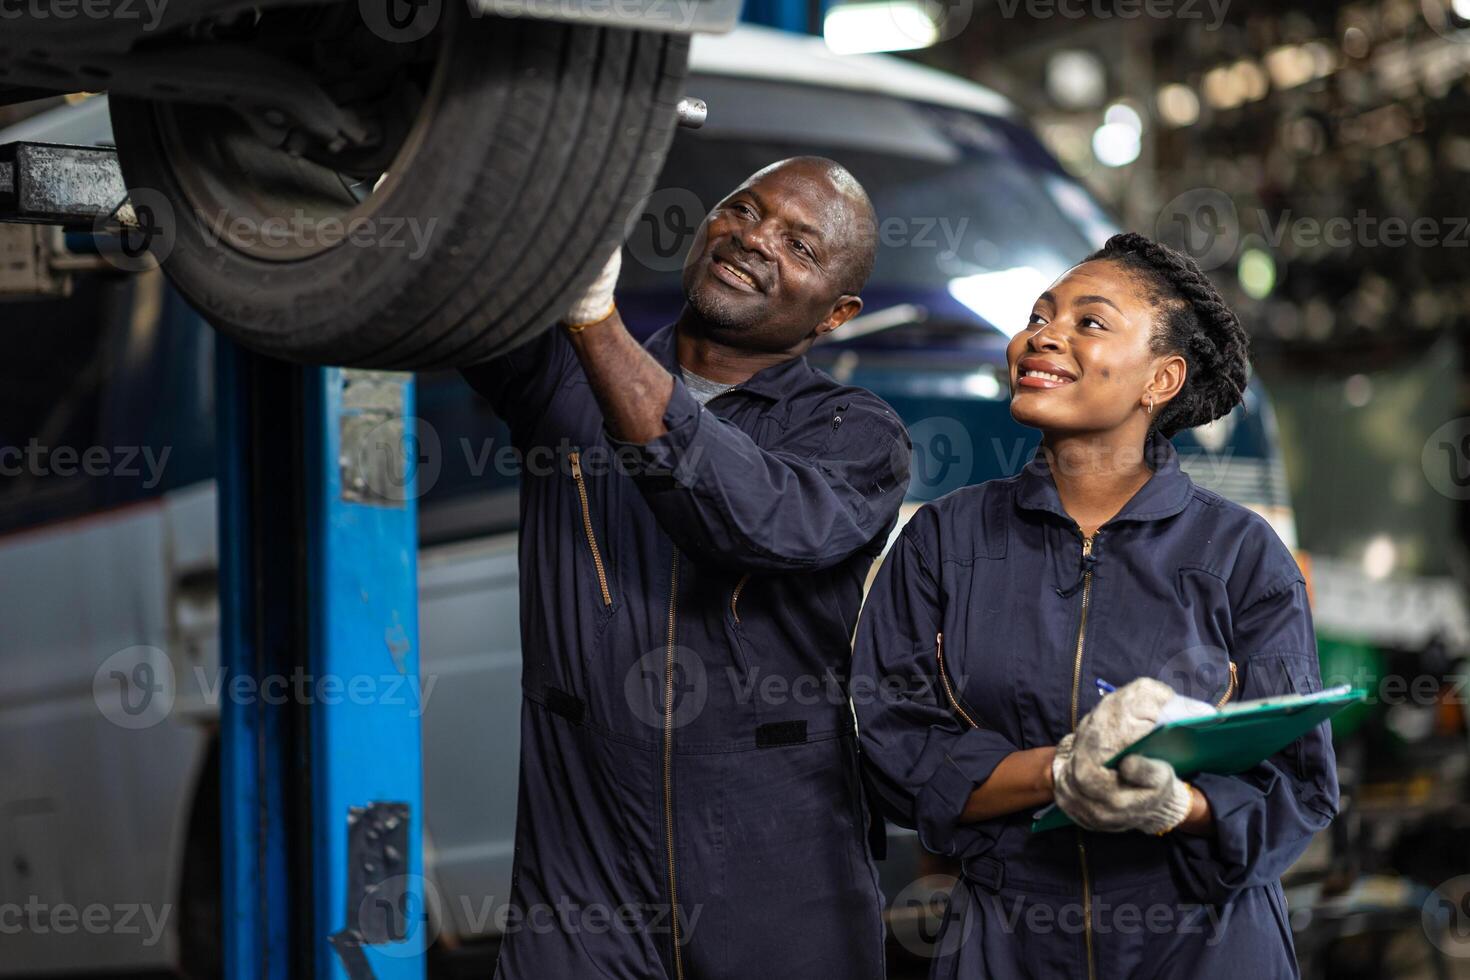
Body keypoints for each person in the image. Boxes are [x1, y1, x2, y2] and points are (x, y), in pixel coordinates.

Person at [461, 156, 910, 980]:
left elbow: (748, 520)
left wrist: (597, 321)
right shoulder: (562, 373)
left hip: (777, 882)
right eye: (742, 209)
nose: (753, 238)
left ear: (836, 314)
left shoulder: (855, 433)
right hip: (582, 875)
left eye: (800, 246)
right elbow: (448, 288)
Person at [852, 232, 1339, 978]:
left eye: (1090, 321)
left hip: (1203, 944)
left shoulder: (1242, 554)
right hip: (1008, 943)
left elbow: (1299, 786)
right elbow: (890, 750)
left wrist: (1175, 803)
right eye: (1040, 316)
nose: (1042, 335)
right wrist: (1064, 770)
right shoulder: (942, 542)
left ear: (1161, 379)